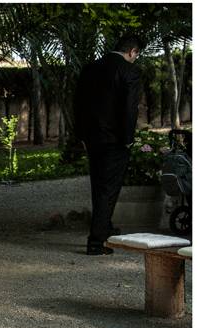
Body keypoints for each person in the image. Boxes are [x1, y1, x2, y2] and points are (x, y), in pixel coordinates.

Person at [75, 35, 143, 255]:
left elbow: (78, 104)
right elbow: (129, 109)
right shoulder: (130, 71)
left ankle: (105, 227)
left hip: (93, 139)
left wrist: (82, 136)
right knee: (109, 188)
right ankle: (96, 241)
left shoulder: (90, 68)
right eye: (137, 55)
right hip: (115, 140)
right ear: (132, 51)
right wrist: (128, 139)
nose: (136, 58)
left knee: (99, 186)